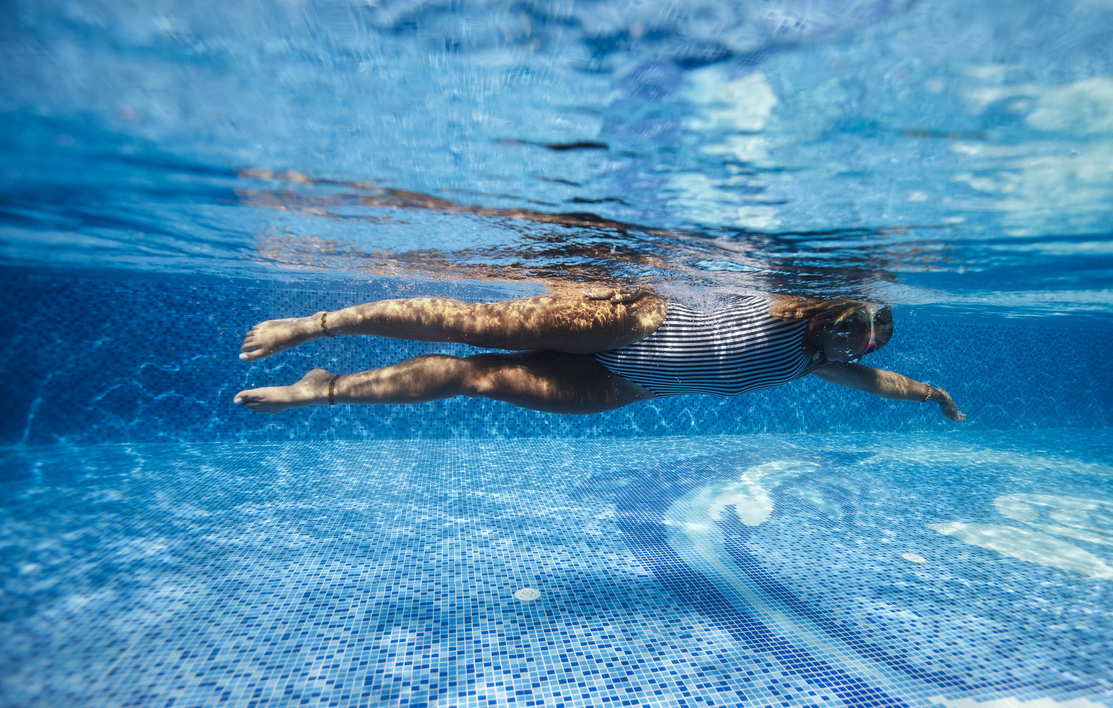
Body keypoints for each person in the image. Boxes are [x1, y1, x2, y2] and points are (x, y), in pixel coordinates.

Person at [233, 287, 965, 421]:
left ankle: (323, 388)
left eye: (869, 339)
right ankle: (316, 324)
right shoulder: (786, 306)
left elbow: (881, 383)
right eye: (860, 323)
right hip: (626, 331)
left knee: (474, 379)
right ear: (837, 307)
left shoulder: (817, 360)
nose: (859, 341)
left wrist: (931, 393)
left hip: (624, 387)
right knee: (481, 325)